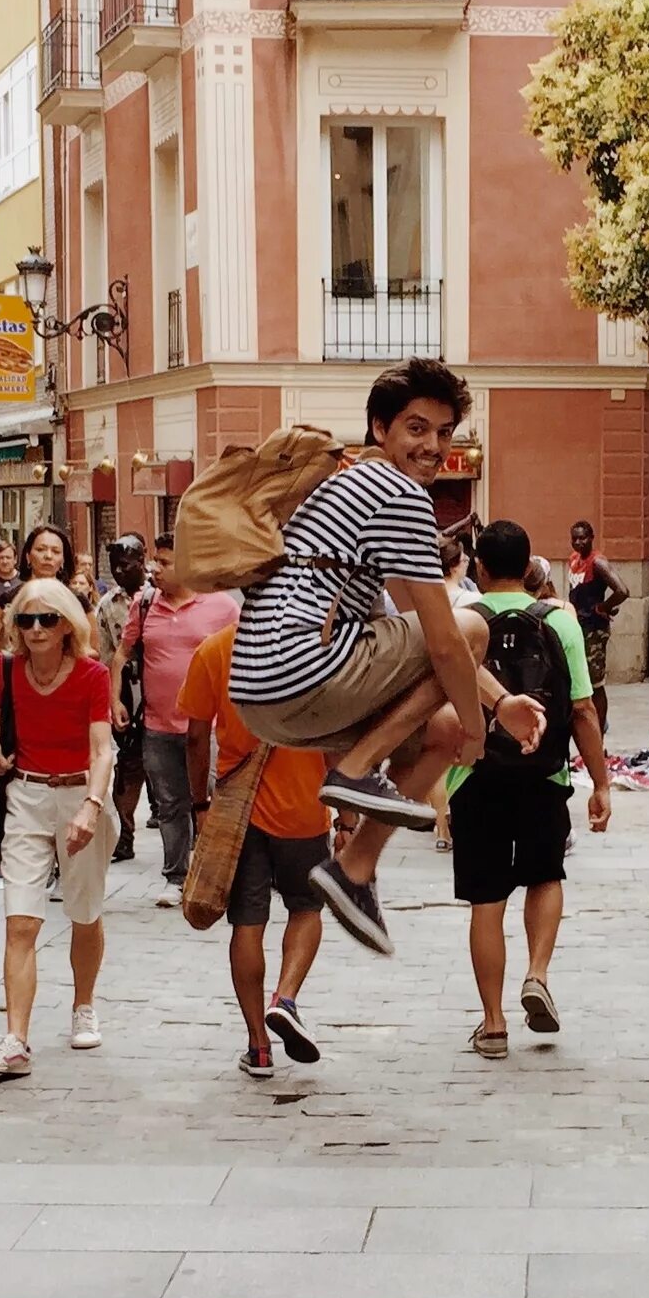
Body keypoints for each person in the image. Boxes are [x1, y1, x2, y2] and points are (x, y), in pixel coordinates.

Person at [233, 360, 535, 957]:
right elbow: (448, 639)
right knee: (474, 625)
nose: (433, 446)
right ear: (380, 427)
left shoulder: (349, 485)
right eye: (417, 429)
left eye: (445, 433)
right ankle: (358, 769)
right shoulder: (399, 493)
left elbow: (417, 633)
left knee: (441, 732)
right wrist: (483, 730)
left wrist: (495, 703)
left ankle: (354, 869)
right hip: (303, 670)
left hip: (260, 694)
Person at [448, 522, 613, 1058]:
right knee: (545, 875)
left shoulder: (462, 623)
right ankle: (537, 974)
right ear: (528, 567)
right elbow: (584, 709)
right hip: (545, 774)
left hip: (475, 775)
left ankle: (493, 1024)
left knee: (486, 899)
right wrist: (601, 782)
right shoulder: (560, 622)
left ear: (479, 565)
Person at [0, 575, 118, 1079]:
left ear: (66, 626)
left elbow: (103, 749)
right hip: (27, 795)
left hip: (81, 792)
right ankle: (16, 1039)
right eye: (25, 620)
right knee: (21, 919)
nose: (34, 629)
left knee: (83, 909)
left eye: (46, 619)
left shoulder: (92, 675)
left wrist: (92, 806)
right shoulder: (3, 670)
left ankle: (83, 1004)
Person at [182, 620, 331, 1079]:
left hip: (238, 812)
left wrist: (200, 804)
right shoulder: (318, 646)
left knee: (247, 922)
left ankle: (259, 1047)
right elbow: (338, 734)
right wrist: (349, 814)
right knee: (306, 908)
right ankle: (284, 998)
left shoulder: (215, 648)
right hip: (305, 806)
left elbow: (194, 736)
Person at [118, 531, 236, 910]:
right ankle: (176, 876)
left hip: (212, 726)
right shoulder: (145, 603)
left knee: (213, 801)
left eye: (165, 563)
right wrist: (113, 701)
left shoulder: (222, 606)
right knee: (170, 804)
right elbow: (121, 655)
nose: (155, 569)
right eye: (156, 561)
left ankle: (214, 874)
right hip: (158, 725)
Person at [94, 537, 150, 863]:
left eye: (126, 564)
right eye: (114, 565)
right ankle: (124, 836)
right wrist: (112, 701)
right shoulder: (107, 605)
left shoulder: (159, 595)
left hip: (161, 685)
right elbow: (105, 658)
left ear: (142, 560)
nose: (119, 571)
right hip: (127, 688)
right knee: (128, 767)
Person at [565, 522, 626, 730]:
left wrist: (604, 607)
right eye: (574, 538)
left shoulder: (598, 562)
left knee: (595, 683)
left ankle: (599, 732)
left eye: (582, 538)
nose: (578, 542)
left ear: (592, 538)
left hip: (593, 628)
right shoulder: (573, 560)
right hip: (577, 625)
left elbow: (622, 590)